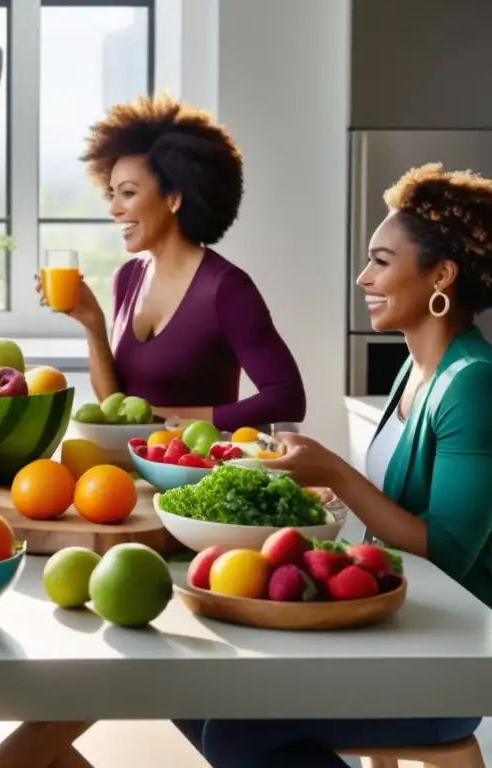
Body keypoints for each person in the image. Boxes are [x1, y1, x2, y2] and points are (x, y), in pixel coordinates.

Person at [174, 162, 492, 767]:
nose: (362, 276)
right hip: (399, 619)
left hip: (450, 657)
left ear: (441, 277)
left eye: (381, 260)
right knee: (194, 689)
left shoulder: (474, 385)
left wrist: (335, 474)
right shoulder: (414, 369)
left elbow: (448, 550)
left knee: (238, 734)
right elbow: (390, 516)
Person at [37, 93, 305, 432]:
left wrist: (166, 420)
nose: (114, 209)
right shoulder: (128, 278)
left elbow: (287, 398)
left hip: (199, 469)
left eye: (129, 193)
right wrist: (92, 323)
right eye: (112, 193)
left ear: (174, 199)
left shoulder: (225, 288)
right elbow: (114, 408)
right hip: (135, 468)